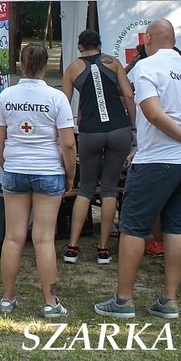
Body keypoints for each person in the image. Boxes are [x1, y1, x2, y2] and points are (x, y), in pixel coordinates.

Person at [94, 19, 181, 321]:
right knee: (176, 225)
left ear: (148, 38)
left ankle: (123, 300)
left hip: (156, 160)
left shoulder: (146, 68)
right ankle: (169, 300)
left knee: (134, 227)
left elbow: (152, 111)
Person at [0, 42, 76, 318]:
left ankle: (7, 298)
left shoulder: (6, 95)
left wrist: (7, 164)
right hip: (49, 171)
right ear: (47, 66)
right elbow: (68, 144)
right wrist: (70, 174)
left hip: (15, 169)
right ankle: (50, 303)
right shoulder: (57, 97)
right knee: (44, 240)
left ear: (20, 65)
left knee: (13, 237)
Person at [60, 30, 135, 265]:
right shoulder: (113, 62)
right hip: (119, 129)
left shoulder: (73, 68)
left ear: (80, 46)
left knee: (85, 189)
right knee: (110, 188)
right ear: (100, 45)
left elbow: (64, 101)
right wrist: (133, 128)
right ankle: (103, 250)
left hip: (90, 131)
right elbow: (129, 95)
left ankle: (72, 247)